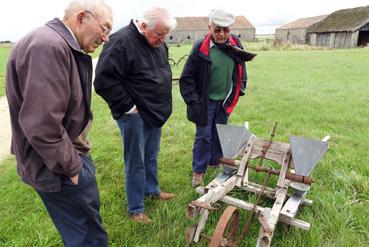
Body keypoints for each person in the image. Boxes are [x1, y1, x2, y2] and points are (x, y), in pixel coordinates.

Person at [6, 0, 113, 245]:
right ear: (81, 18)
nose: (106, 38)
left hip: (63, 161)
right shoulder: (48, 46)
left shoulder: (58, 44)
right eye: (104, 28)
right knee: (87, 236)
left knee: (83, 229)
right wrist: (73, 169)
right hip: (59, 167)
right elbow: (43, 126)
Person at [94, 6, 177, 224]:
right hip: (134, 115)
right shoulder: (120, 42)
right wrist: (129, 107)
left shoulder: (158, 43)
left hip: (154, 112)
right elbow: (103, 81)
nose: (162, 39)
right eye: (159, 34)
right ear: (143, 26)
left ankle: (151, 190)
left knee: (151, 154)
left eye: (165, 35)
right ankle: (136, 209)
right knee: (136, 160)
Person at [179, 8, 255, 187]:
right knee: (203, 136)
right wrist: (195, 102)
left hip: (225, 100)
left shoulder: (235, 43)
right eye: (217, 29)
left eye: (226, 30)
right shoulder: (200, 47)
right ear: (209, 27)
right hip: (204, 102)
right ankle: (198, 170)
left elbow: (241, 67)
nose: (222, 34)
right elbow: (186, 78)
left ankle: (214, 162)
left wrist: (240, 88)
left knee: (219, 133)